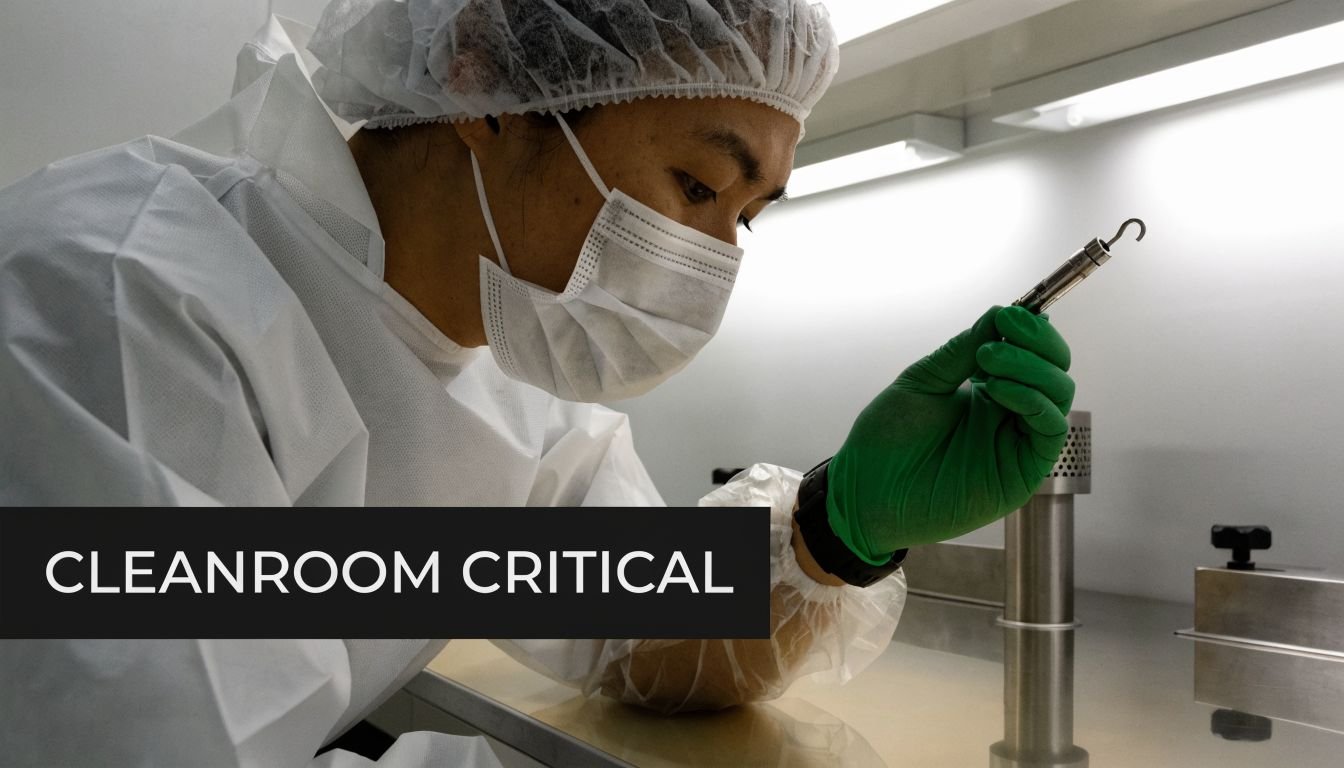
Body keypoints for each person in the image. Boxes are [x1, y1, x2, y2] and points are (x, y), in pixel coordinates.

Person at [0, 0, 1074, 766]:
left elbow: (643, 637)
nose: (713, 260)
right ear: (480, 80)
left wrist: (836, 530)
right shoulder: (127, 293)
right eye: (696, 183)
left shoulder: (524, 375)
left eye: (743, 217)